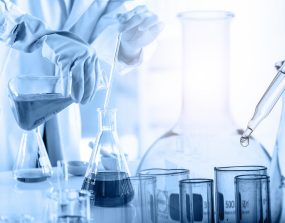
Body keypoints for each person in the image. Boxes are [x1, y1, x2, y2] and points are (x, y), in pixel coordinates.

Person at [0, 0, 163, 170]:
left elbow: (111, 20)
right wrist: (36, 34)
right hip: (10, 98)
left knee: (58, 188)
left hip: (59, 110)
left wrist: (129, 43)